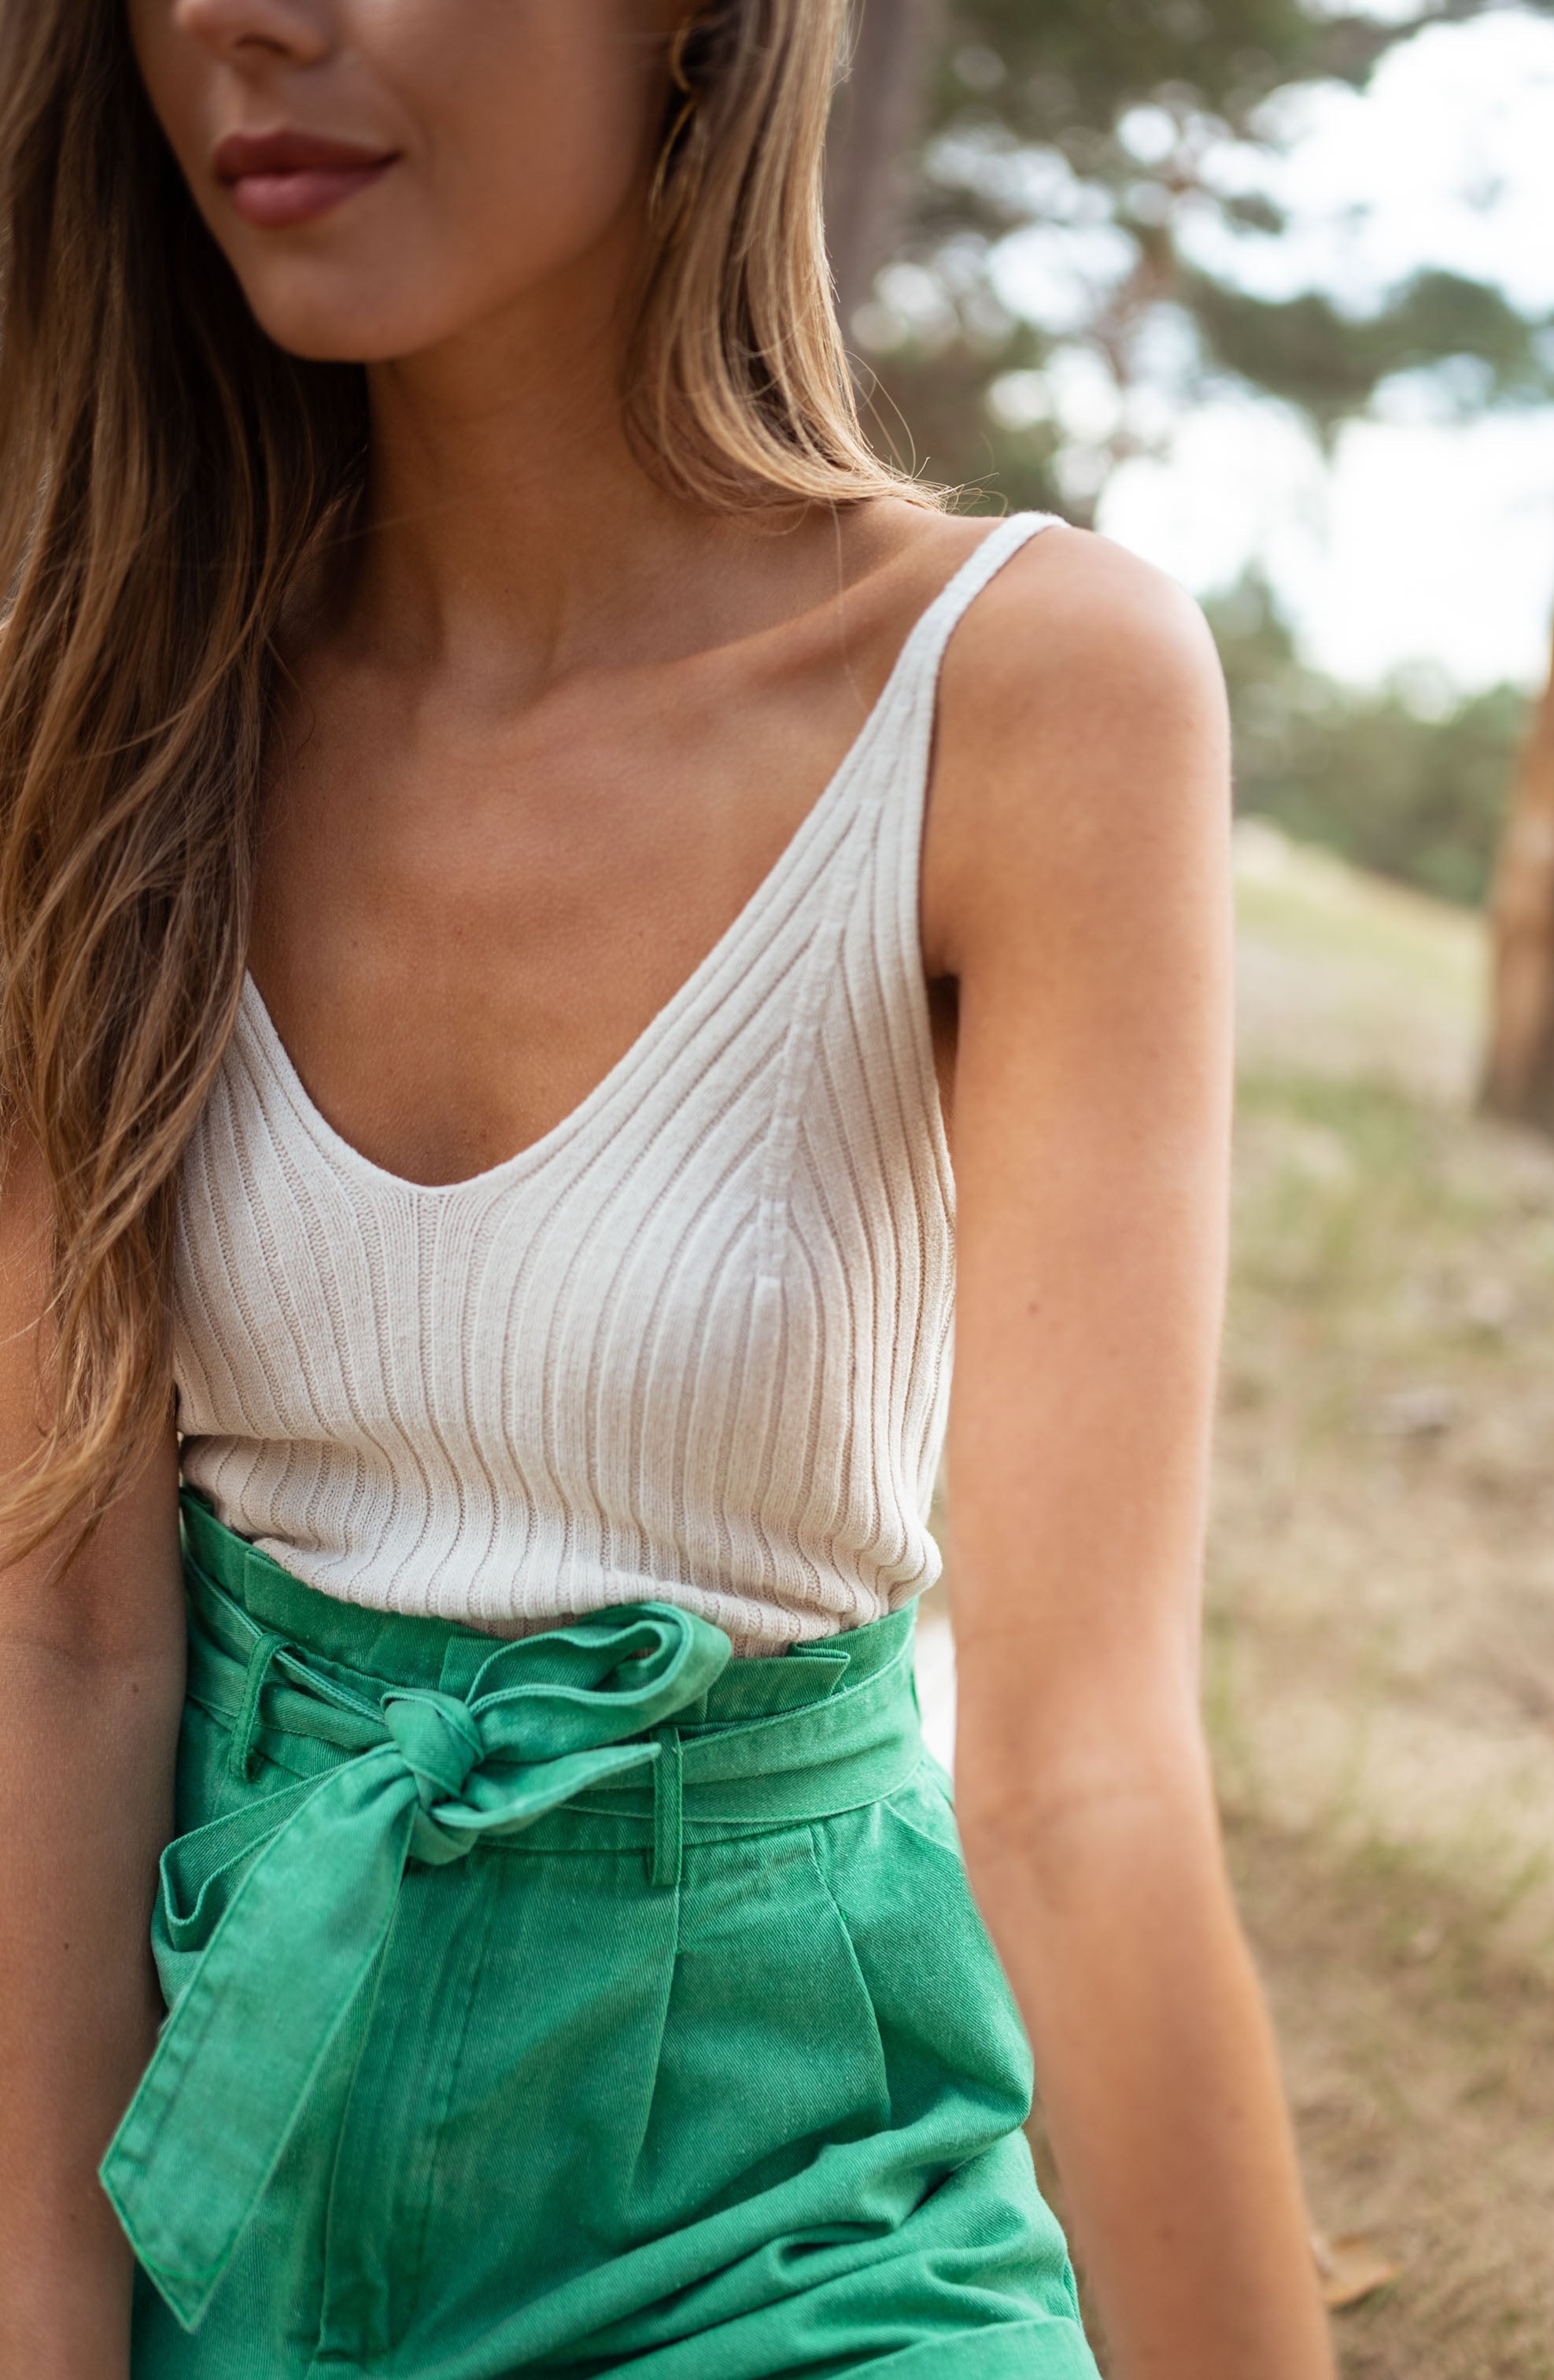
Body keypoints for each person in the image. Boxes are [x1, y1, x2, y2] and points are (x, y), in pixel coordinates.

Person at [0, 3, 1338, 2376]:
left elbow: (1079, 1765)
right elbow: (66, 1640)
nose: (243, 19)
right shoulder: (108, 682)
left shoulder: (1024, 690)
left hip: (781, 2186)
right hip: (206, 2100)